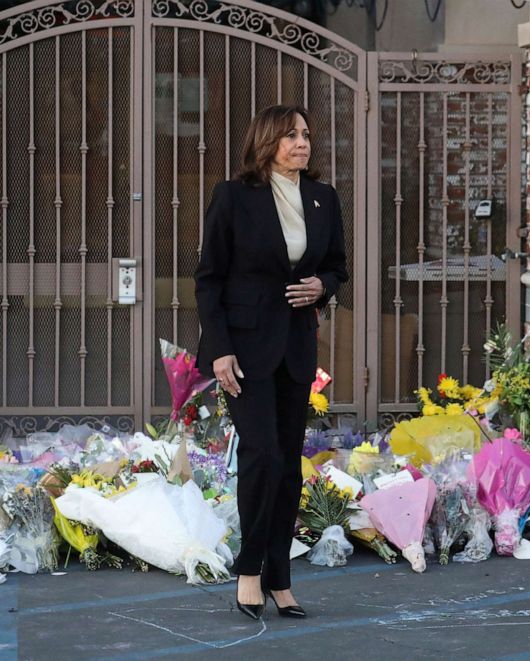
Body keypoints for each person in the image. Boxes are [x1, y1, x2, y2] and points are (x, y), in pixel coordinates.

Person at [194, 105, 348, 620]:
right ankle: (250, 570)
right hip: (242, 350)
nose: (302, 143)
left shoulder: (323, 198)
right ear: (267, 142)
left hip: (296, 348)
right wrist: (219, 349)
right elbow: (209, 278)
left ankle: (281, 578)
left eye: (305, 134)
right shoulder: (234, 197)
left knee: (286, 467)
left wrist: (321, 286)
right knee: (261, 456)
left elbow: (336, 267)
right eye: (290, 135)